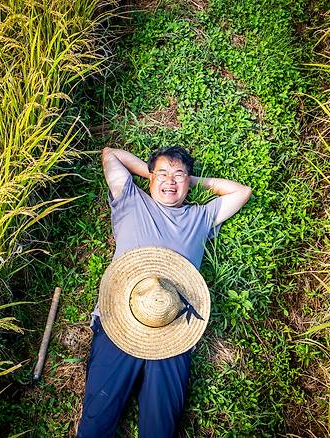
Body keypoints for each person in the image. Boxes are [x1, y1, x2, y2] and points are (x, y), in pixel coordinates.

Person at [76, 146, 251, 438]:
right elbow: (110, 155)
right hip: (121, 319)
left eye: (179, 175)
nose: (171, 181)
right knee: (96, 422)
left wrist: (191, 179)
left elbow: (241, 192)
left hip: (174, 328)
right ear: (149, 177)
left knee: (161, 429)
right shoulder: (131, 200)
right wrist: (157, 173)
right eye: (163, 174)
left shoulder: (200, 217)